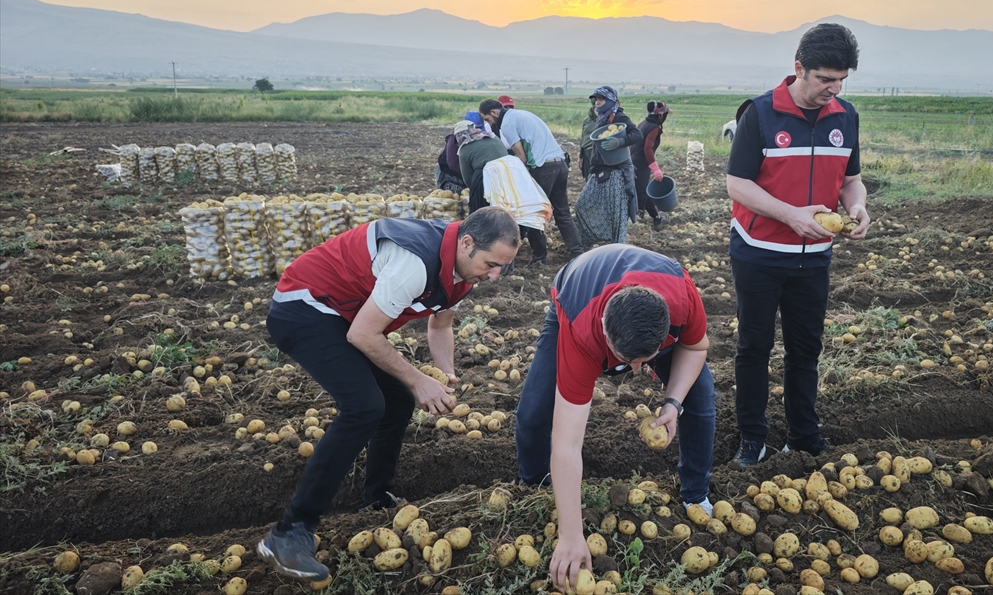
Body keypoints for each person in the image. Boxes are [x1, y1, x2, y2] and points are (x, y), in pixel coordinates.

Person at [256, 208, 520, 581]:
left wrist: (445, 372)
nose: (495, 276)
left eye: (503, 268)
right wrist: (417, 380)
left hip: (342, 316)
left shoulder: (464, 270)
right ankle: (289, 532)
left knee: (394, 402)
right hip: (304, 308)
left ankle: (377, 499)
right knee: (364, 406)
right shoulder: (415, 262)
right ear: (467, 242)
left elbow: (439, 324)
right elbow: (363, 335)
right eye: (492, 264)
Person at [513, 244, 715, 592]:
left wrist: (672, 402)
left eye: (645, 360)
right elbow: (567, 443)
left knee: (701, 397)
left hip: (650, 293)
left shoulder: (683, 296)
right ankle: (534, 486)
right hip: (576, 292)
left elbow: (696, 348)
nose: (634, 371)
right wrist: (572, 535)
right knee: (534, 414)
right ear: (606, 331)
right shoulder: (583, 331)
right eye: (626, 360)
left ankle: (695, 493)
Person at [725, 23, 870, 467]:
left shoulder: (845, 117)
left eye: (841, 80)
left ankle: (804, 435)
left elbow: (851, 180)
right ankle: (752, 436)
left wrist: (858, 207)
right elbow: (737, 184)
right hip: (759, 253)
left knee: (806, 350)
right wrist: (790, 215)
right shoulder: (761, 113)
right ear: (799, 68)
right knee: (754, 346)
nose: (834, 88)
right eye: (825, 79)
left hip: (815, 258)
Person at [480, 99, 585, 263]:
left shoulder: (506, 123)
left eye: (487, 119)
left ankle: (539, 257)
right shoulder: (523, 114)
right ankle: (578, 251)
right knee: (562, 212)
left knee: (533, 212)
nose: (489, 123)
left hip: (544, 168)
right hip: (560, 163)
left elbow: (522, 157)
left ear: (494, 112)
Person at [455, 119, 551, 258]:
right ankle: (539, 253)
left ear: (459, 136)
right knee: (526, 210)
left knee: (496, 215)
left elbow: (468, 178)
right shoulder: (492, 137)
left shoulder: (464, 149)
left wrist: (477, 193)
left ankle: (494, 249)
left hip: (491, 175)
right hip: (515, 170)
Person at [574, 86, 643, 247]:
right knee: (582, 205)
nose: (597, 103)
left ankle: (617, 248)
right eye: (596, 100)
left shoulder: (619, 116)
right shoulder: (601, 118)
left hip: (617, 172)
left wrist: (620, 141)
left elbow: (637, 134)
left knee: (617, 214)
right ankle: (594, 240)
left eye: (601, 99)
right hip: (599, 170)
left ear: (611, 101)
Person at [635, 101, 673, 231]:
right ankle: (655, 217)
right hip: (640, 162)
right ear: (660, 115)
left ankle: (650, 215)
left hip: (632, 160)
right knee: (642, 191)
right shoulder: (653, 127)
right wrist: (655, 169)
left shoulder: (643, 123)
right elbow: (647, 149)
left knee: (638, 189)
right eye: (665, 113)